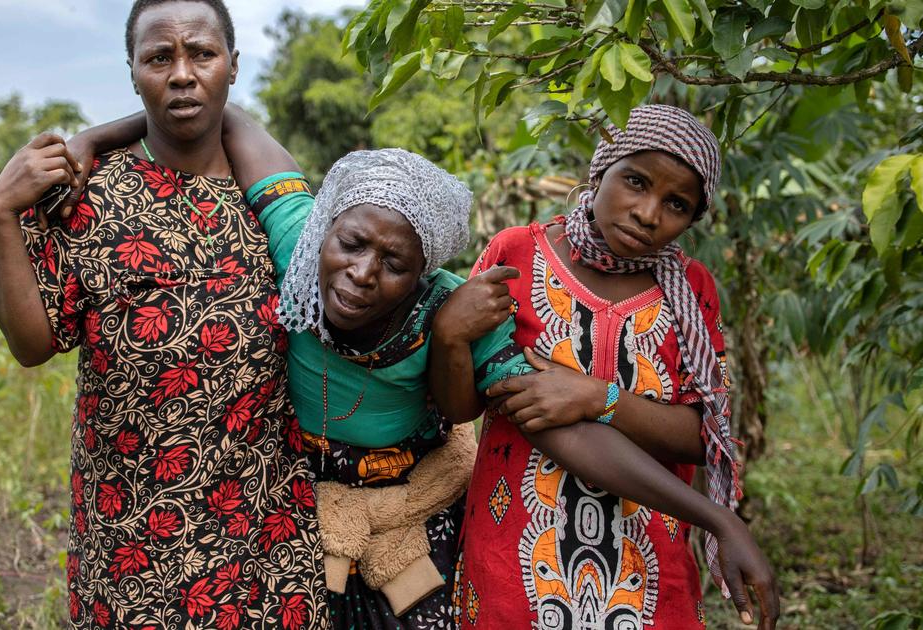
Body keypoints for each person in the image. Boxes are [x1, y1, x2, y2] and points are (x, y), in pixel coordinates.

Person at [65, 105, 778, 629]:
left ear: (427, 272)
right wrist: (90, 141)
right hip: (294, 515)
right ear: (327, 230)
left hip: (419, 510)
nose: (361, 273)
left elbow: (541, 420)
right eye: (351, 244)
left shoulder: (453, 305)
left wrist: (718, 519)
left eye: (396, 263)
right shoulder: (302, 245)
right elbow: (230, 116)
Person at [0, 1, 325, 627]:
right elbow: (32, 344)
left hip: (266, 537)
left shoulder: (273, 201)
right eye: (159, 57)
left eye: (202, 53)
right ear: (134, 73)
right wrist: (0, 213)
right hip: (130, 545)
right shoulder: (85, 197)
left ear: (233, 66)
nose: (182, 73)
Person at [448, 104, 780, 629]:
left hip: (646, 573)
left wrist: (598, 397)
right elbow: (460, 404)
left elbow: (702, 438)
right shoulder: (517, 254)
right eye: (635, 181)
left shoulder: (692, 293)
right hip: (513, 569)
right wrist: (450, 333)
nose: (649, 213)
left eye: (676, 203)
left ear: (694, 218)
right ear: (599, 172)